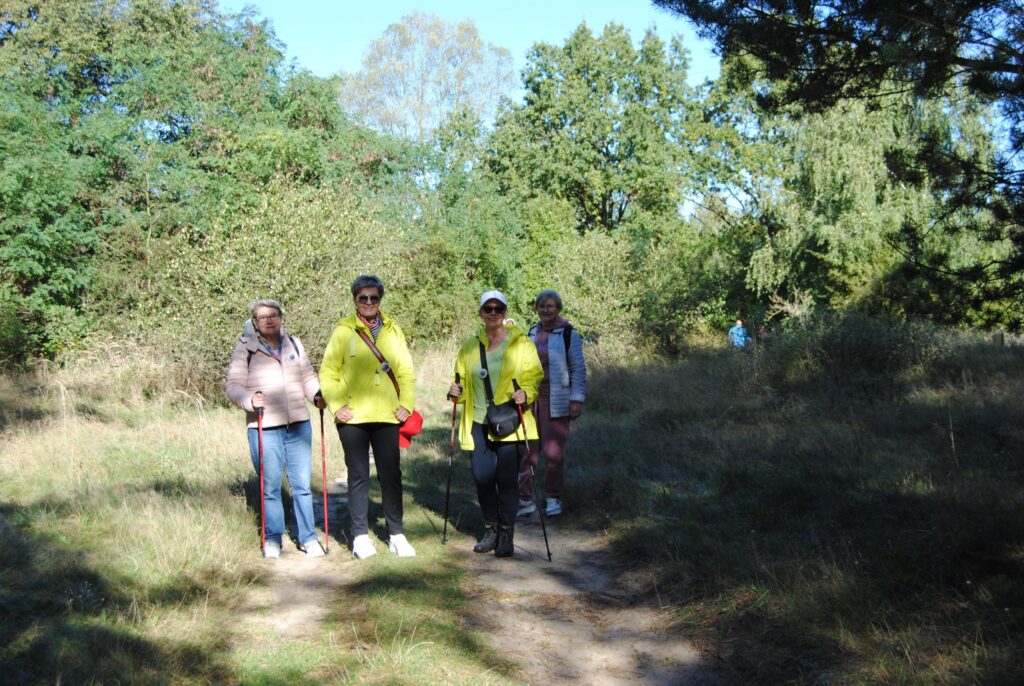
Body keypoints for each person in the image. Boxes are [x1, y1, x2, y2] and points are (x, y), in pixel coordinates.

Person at [319, 275, 417, 559]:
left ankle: (397, 534)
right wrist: (337, 405)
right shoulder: (342, 331)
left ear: (380, 300)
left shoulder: (393, 329)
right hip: (353, 418)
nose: (369, 303)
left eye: (374, 298)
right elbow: (328, 372)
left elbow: (405, 372)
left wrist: (406, 405)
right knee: (358, 476)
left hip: (387, 415)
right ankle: (360, 537)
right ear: (355, 300)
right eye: (364, 298)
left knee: (391, 475)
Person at [226, 299, 327, 559]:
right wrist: (249, 399)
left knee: (302, 485)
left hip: (298, 425)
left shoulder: (293, 343)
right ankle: (273, 538)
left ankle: (308, 537)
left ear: (281, 317)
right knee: (270, 486)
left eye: (274, 315)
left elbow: (307, 376)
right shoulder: (245, 348)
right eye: (263, 317)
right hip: (264, 426)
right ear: (255, 323)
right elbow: (233, 385)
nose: (270, 320)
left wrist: (316, 395)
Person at [448, 290, 543, 558]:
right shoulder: (469, 345)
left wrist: (527, 393)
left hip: (510, 422)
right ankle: (490, 527)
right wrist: (456, 391)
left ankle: (506, 533)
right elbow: (462, 381)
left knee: (506, 480)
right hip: (478, 421)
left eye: (497, 309)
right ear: (480, 313)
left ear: (504, 312)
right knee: (482, 478)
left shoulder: (522, 344)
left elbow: (534, 376)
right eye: (488, 309)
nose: (493, 314)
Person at [517, 289, 586, 519]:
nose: (546, 310)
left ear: (558, 308)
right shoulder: (531, 333)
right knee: (528, 451)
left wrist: (577, 400)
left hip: (557, 401)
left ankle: (553, 498)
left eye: (550, 306)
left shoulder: (568, 334)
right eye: (541, 306)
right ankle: (525, 498)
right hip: (531, 401)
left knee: (553, 452)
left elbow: (578, 369)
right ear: (536, 309)